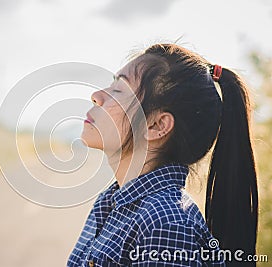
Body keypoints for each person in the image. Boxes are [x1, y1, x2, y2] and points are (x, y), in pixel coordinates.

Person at [67, 43, 258, 266]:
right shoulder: (110, 203)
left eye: (118, 90)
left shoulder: (164, 222)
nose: (97, 95)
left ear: (156, 125)